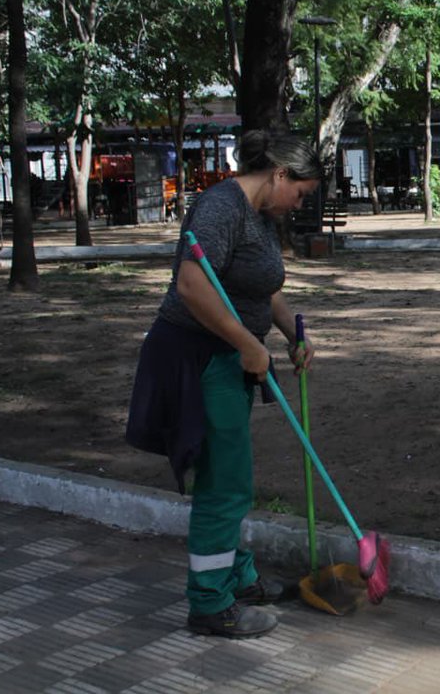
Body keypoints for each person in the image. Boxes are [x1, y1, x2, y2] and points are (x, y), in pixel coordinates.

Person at [126, 130, 324, 637]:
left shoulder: (256, 215)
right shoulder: (220, 207)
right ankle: (210, 603)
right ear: (280, 174)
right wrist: (244, 343)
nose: (297, 205)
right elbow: (192, 285)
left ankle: (236, 577)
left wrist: (287, 336)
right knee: (224, 484)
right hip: (198, 359)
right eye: (299, 193)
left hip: (227, 357)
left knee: (229, 477)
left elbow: (265, 289)